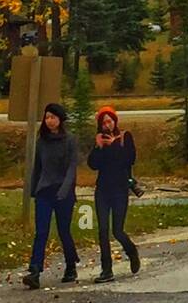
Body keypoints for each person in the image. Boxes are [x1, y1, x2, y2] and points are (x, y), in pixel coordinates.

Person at [22, 102, 79, 289]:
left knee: (64, 231)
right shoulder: (42, 142)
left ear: (60, 119)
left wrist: (65, 190)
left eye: (52, 117)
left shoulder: (69, 140)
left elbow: (72, 168)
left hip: (63, 193)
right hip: (44, 192)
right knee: (41, 232)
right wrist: (33, 190)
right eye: (46, 117)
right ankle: (35, 270)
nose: (49, 121)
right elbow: (37, 168)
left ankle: (71, 265)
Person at [87, 106, 141, 283]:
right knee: (102, 230)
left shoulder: (125, 137)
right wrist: (98, 147)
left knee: (117, 230)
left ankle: (131, 251)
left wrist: (114, 145)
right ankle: (106, 269)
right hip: (103, 189)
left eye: (109, 121)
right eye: (103, 122)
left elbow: (129, 159)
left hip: (119, 189)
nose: (107, 125)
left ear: (115, 121)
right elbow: (93, 165)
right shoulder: (99, 141)